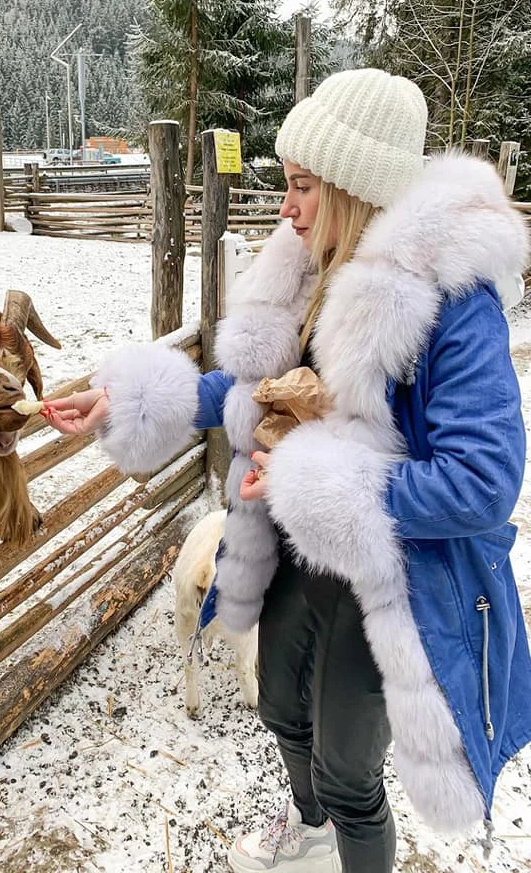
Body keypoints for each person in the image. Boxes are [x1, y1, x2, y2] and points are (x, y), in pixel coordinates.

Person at [43, 68, 531, 873]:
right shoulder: (311, 272)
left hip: (392, 572)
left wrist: (315, 483)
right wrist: (127, 400)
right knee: (279, 706)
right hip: (295, 548)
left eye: (302, 186)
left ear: (353, 189)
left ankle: (342, 836)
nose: (285, 207)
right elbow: (253, 393)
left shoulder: (453, 305)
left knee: (349, 774)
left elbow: (482, 483)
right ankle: (308, 835)